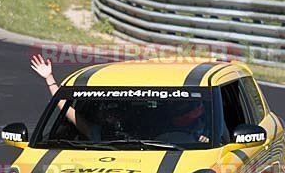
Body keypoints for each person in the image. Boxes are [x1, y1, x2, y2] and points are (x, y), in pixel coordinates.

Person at [30, 54, 209, 143]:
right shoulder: (102, 136)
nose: (111, 118)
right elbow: (69, 111)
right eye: (108, 114)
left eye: (115, 114)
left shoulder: (179, 136)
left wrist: (204, 141)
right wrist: (49, 79)